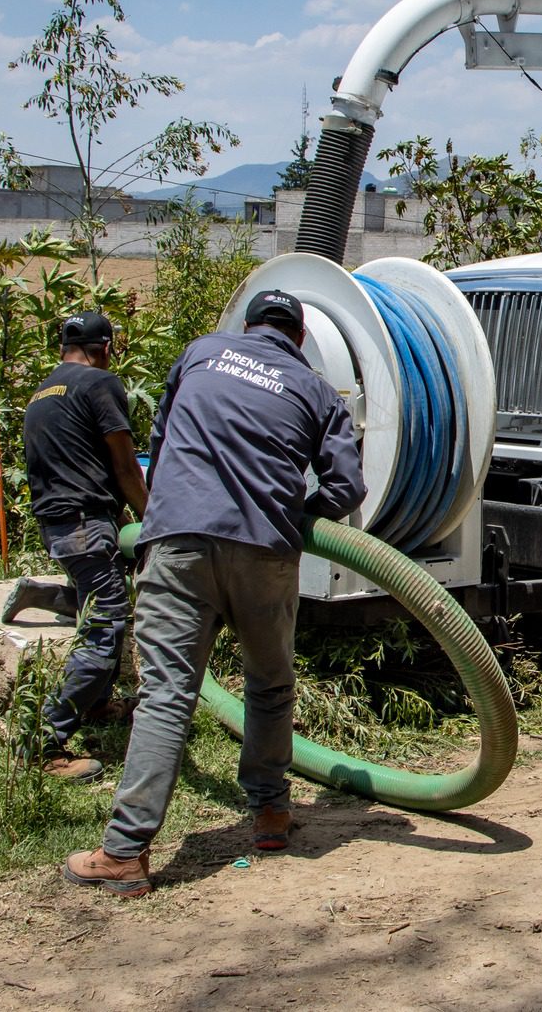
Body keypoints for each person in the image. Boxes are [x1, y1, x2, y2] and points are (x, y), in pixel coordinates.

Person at [63, 289, 365, 897]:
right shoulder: (315, 390)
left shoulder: (201, 353)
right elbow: (348, 486)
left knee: (166, 694)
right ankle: (272, 813)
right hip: (266, 551)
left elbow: (161, 435)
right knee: (271, 684)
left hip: (179, 541)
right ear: (300, 339)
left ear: (246, 325)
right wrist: (297, 514)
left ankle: (125, 852)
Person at [16, 311, 150, 783]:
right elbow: (124, 464)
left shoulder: (43, 391)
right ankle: (44, 743)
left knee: (98, 607)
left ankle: (95, 706)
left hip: (57, 524)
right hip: (83, 524)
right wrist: (154, 519)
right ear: (105, 347)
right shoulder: (100, 384)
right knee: (106, 623)